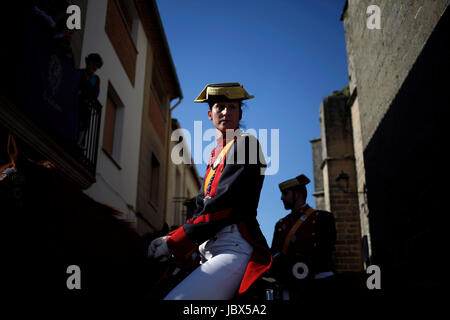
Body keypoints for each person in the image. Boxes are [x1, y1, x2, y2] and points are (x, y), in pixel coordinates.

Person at [148, 82, 272, 300]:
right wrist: (172, 237)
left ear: (239, 112)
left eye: (232, 107)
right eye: (220, 107)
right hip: (207, 248)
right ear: (209, 114)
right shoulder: (217, 153)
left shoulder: (246, 145)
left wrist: (175, 241)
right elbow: (200, 206)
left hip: (233, 247)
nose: (226, 112)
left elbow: (223, 205)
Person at [270, 174, 336, 299]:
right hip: (290, 284)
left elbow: (327, 248)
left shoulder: (323, 218)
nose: (281, 198)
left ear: (298, 194)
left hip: (319, 282)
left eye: (285, 193)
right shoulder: (281, 224)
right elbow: (275, 254)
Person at [77, 53, 103, 149]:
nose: (95, 67)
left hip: (85, 105)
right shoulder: (79, 73)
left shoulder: (96, 79)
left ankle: (79, 142)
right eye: (94, 64)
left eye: (97, 66)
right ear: (88, 63)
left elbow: (96, 94)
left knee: (85, 120)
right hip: (76, 104)